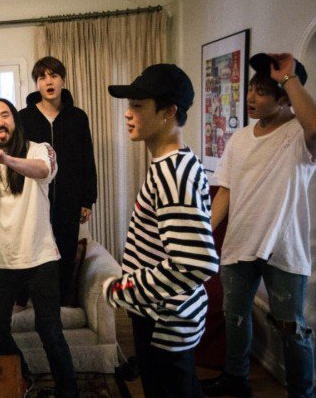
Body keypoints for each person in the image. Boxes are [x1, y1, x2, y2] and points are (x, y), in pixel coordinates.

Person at [202, 53, 315, 398]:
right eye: (251, 89)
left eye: (262, 92)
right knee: (235, 317)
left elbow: (314, 127)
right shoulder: (239, 138)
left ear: (284, 98)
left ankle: (302, 392)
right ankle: (236, 379)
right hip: (240, 243)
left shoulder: (299, 135)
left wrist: (289, 78)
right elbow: (225, 191)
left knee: (290, 328)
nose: (251, 97)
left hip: (284, 247)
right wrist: (203, 233)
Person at [104, 64, 219, 397]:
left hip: (165, 320)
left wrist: (122, 288)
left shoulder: (173, 173)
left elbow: (195, 263)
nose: (128, 114)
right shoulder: (175, 163)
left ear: (169, 111)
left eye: (138, 106)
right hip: (165, 313)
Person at [0, 98, 78, 397]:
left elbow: (42, 170)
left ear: (15, 120)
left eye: (4, 115)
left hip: (40, 258)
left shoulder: (38, 149)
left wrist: (5, 159)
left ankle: (68, 391)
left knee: (50, 331)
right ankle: (23, 377)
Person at [19, 56, 97, 306]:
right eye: (42, 77)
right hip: (34, 200)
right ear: (37, 84)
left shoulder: (77, 117)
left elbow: (87, 158)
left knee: (64, 252)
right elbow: (18, 160)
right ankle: (31, 303)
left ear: (63, 80)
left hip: (69, 200)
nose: (48, 82)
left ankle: (61, 305)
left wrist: (87, 199)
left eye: (53, 76)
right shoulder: (24, 117)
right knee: (34, 251)